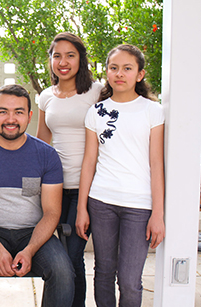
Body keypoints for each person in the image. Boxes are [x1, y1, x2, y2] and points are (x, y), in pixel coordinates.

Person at [0, 84, 75, 307]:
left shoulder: (46, 155)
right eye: (3, 111)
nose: (10, 119)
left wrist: (30, 250)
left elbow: (52, 212)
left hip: (35, 234)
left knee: (63, 273)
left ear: (29, 116)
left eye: (19, 112)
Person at [76, 44, 165, 307]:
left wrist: (157, 214)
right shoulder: (96, 112)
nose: (119, 73)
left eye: (127, 68)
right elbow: (89, 162)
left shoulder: (152, 111)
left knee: (129, 280)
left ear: (139, 74)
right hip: (101, 202)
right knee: (103, 272)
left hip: (139, 206)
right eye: (113, 68)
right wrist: (82, 208)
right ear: (106, 73)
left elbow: (156, 164)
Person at [36, 32, 103, 307]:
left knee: (71, 256)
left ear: (81, 59)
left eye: (70, 55)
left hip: (86, 186)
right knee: (57, 256)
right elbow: (42, 140)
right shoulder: (45, 96)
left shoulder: (97, 91)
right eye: (57, 55)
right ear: (50, 60)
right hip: (53, 188)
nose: (63, 62)